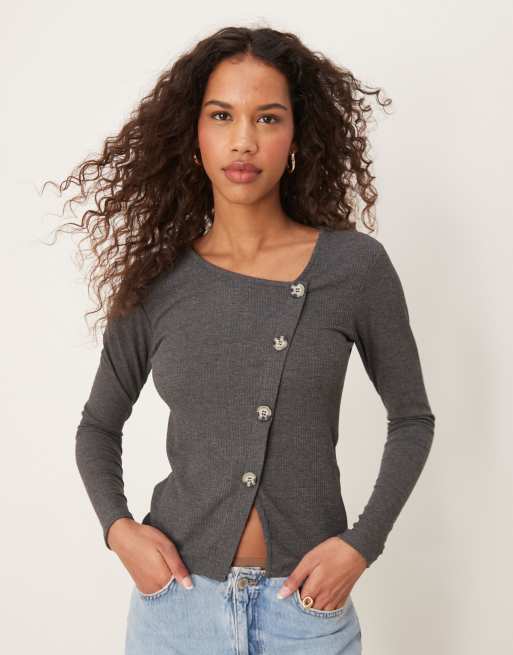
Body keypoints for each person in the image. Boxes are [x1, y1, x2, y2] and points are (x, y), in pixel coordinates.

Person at [49, 25, 435, 655]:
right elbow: (97, 426)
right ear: (193, 133)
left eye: (268, 118)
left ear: (297, 137)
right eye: (222, 115)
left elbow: (412, 419)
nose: (244, 140)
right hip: (176, 613)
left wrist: (361, 545)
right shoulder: (157, 280)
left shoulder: (354, 268)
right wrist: (119, 531)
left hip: (305, 614)